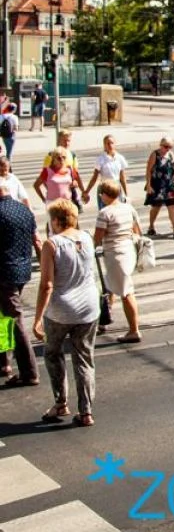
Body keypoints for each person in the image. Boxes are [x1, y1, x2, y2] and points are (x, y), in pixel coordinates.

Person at [32, 199, 100, 427]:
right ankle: (86, 412)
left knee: (53, 354)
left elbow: (46, 285)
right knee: (84, 359)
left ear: (55, 220)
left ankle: (61, 402)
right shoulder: (87, 237)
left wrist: (38, 317)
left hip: (60, 311)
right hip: (89, 308)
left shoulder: (52, 245)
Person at [0, 180, 40, 387]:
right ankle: (4, 362)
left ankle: (29, 372)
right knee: (4, 316)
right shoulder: (23, 210)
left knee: (14, 319)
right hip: (22, 271)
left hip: (4, 272)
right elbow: (37, 239)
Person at [93, 180, 142, 343]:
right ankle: (104, 319)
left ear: (105, 195)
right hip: (128, 251)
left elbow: (97, 238)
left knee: (126, 292)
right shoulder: (128, 208)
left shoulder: (105, 213)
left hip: (115, 255)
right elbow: (137, 230)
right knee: (110, 286)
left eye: (101, 194)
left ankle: (134, 330)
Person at [143, 137, 174, 239]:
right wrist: (148, 185)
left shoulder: (170, 155)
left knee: (172, 206)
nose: (168, 149)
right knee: (156, 207)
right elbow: (148, 171)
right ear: (160, 145)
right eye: (166, 147)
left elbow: (173, 170)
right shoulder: (155, 155)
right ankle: (151, 226)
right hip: (157, 185)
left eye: (170, 147)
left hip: (168, 185)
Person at [35, 147, 85, 224]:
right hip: (52, 203)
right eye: (59, 158)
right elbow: (36, 185)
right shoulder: (47, 171)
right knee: (53, 226)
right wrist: (43, 198)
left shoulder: (70, 169)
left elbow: (76, 180)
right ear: (53, 159)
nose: (61, 159)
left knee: (69, 225)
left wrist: (75, 184)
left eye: (64, 157)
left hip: (67, 202)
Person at [83, 135, 130, 207]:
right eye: (107, 143)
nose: (110, 145)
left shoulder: (120, 158)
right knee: (105, 212)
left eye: (112, 143)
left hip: (116, 188)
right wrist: (86, 191)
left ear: (115, 144)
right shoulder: (101, 159)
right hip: (105, 189)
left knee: (117, 210)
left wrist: (127, 194)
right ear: (104, 145)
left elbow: (122, 178)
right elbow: (94, 177)